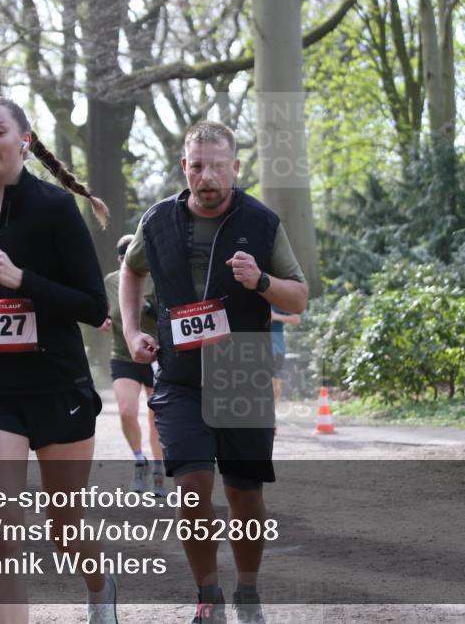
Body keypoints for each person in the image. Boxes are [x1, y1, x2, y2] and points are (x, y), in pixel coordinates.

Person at [120, 121, 308, 624]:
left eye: (218, 167)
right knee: (192, 487)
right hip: (179, 376)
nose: (207, 177)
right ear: (185, 167)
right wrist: (133, 331)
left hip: (241, 372)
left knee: (244, 494)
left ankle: (248, 590)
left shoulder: (261, 222)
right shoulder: (158, 220)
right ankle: (208, 596)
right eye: (198, 166)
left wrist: (261, 281)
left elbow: (298, 297)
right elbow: (132, 271)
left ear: (235, 168)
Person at [0, 95, 116, 624]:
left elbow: (93, 306)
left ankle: (100, 587)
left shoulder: (55, 207)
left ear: (25, 139)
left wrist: (22, 279)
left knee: (64, 525)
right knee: (1, 531)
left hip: (57, 385)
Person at [99, 235, 165, 494]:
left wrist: (147, 306)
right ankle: (139, 460)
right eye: (125, 257)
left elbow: (169, 316)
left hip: (155, 355)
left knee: (156, 416)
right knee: (127, 410)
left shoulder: (158, 278)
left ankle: (159, 468)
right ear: (120, 259)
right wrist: (102, 319)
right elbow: (105, 309)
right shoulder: (111, 281)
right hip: (123, 355)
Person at [269, 307, 301, 419]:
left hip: (276, 348)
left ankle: (272, 417)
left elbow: (296, 319)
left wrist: (275, 316)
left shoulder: (278, 301)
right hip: (254, 348)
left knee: (275, 384)